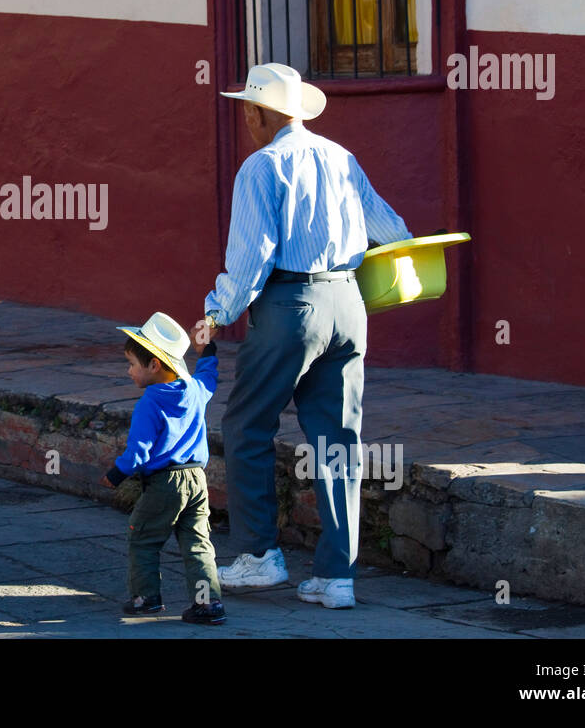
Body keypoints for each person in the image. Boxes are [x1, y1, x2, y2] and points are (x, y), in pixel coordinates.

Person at [197, 63, 412, 610]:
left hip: (290, 306)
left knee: (246, 425)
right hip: (348, 302)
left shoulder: (261, 167)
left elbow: (252, 256)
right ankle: (337, 577)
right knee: (339, 439)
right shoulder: (341, 157)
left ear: (259, 113)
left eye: (247, 108)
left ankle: (258, 556)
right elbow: (392, 229)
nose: (245, 118)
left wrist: (216, 315)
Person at [100, 312, 225, 624]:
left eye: (132, 363)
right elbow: (209, 374)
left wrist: (115, 475)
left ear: (154, 364)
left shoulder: (149, 403)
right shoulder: (196, 389)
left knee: (142, 538)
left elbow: (138, 453)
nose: (129, 371)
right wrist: (207, 349)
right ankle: (207, 604)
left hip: (164, 484)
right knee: (197, 544)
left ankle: (147, 599)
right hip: (197, 480)